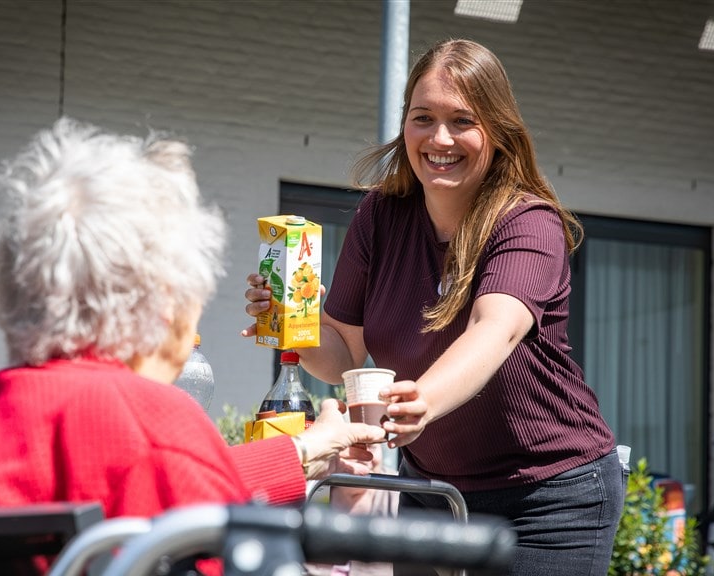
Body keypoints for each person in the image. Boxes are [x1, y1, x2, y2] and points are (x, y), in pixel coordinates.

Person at [0, 118, 386, 572]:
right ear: (165, 303)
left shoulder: (0, 411)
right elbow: (177, 491)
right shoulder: (151, 423)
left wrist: (303, 450)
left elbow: (176, 487)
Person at [243, 38, 624, 576]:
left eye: (462, 120)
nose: (440, 138)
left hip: (549, 496)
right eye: (423, 117)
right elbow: (344, 358)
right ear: (405, 125)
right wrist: (290, 322)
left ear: (497, 131)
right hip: (434, 489)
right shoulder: (381, 215)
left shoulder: (528, 222)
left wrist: (422, 400)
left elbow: (496, 331)